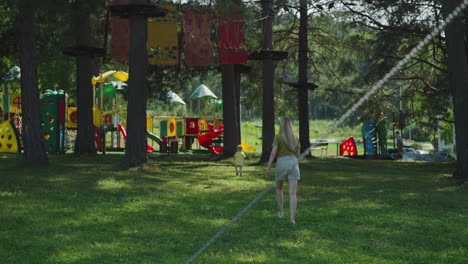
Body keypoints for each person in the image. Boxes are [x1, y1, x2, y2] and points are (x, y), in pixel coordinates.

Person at [266, 116, 300, 224]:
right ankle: (292, 219)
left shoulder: (278, 137)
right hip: (294, 163)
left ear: (281, 125)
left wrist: (269, 167)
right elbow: (298, 155)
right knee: (293, 193)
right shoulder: (295, 138)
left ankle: (281, 212)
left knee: (279, 188)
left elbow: (273, 153)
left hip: (282, 163)